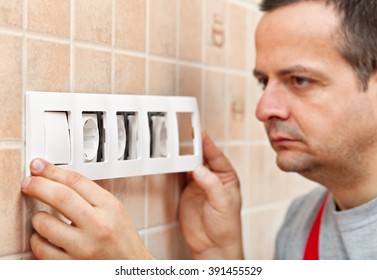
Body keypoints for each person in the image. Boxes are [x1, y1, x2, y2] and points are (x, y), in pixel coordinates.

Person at [21, 0, 377, 259]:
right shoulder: (301, 223)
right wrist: (222, 256)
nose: (264, 109)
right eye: (263, 82)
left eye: (300, 80)